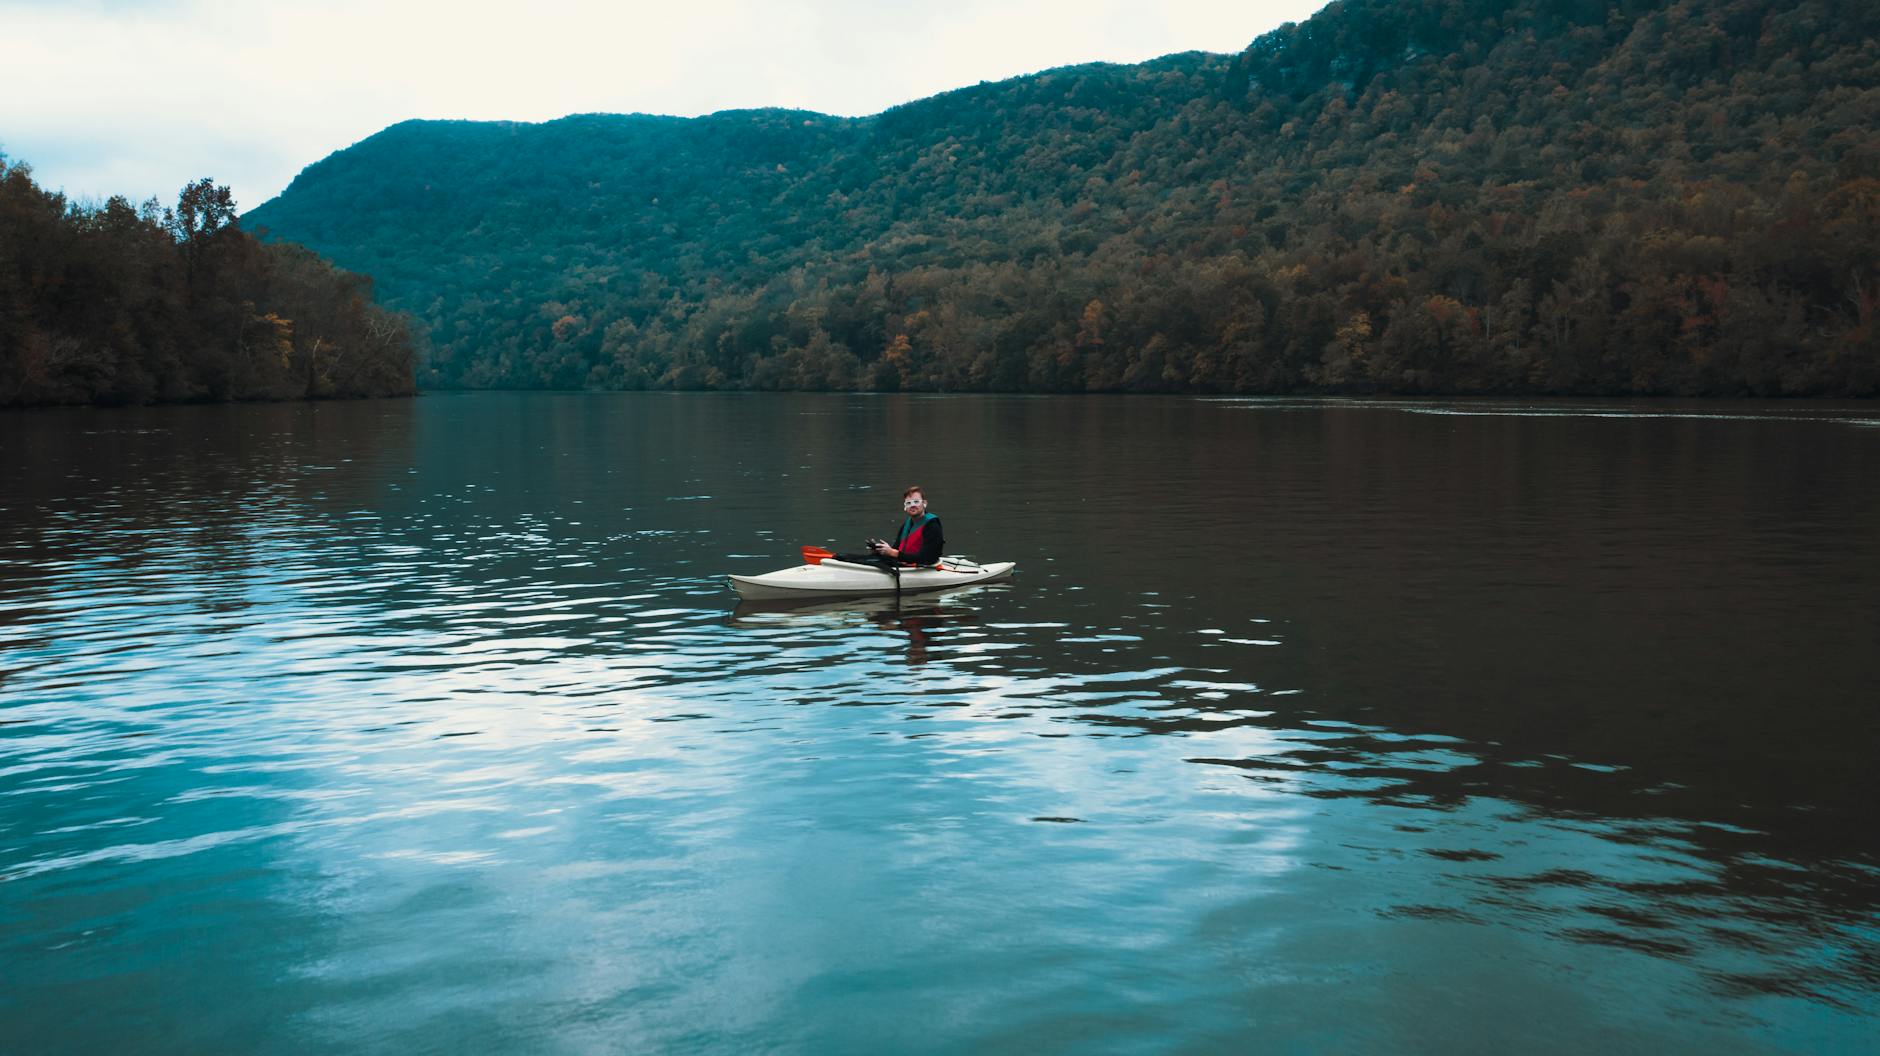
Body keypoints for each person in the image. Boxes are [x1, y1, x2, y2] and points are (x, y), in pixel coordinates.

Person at [868, 486, 945, 567]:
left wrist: (893, 552)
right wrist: (880, 551)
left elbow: (926, 558)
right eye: (909, 503)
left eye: (916, 502)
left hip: (922, 568)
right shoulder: (906, 525)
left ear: (924, 503)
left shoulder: (932, 526)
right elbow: (896, 550)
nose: (912, 505)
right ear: (905, 507)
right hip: (904, 565)